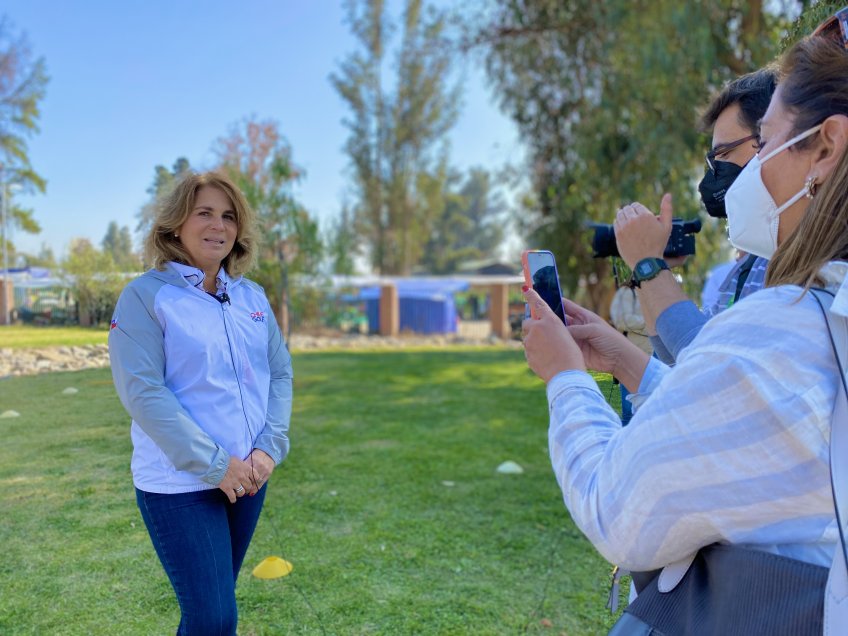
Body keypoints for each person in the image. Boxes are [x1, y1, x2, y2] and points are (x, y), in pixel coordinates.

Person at [522, 29, 848, 625]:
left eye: (762, 144)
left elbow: (615, 511)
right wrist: (626, 361)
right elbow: (737, 413)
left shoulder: (786, 326)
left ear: (825, 147)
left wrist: (565, 375)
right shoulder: (813, 308)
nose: (728, 179)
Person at [108, 171, 293, 635]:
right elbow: (144, 392)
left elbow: (280, 373)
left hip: (248, 477)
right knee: (213, 618)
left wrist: (269, 448)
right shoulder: (146, 297)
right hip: (179, 485)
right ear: (175, 224)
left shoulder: (252, 296)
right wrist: (215, 464)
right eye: (204, 213)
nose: (219, 226)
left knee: (210, 610)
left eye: (229, 216)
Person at [613, 69, 776, 364]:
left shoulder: (794, 260)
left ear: (772, 141)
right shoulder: (749, 264)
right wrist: (650, 272)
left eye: (723, 153)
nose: (714, 172)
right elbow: (674, 356)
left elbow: (707, 362)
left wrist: (649, 265)